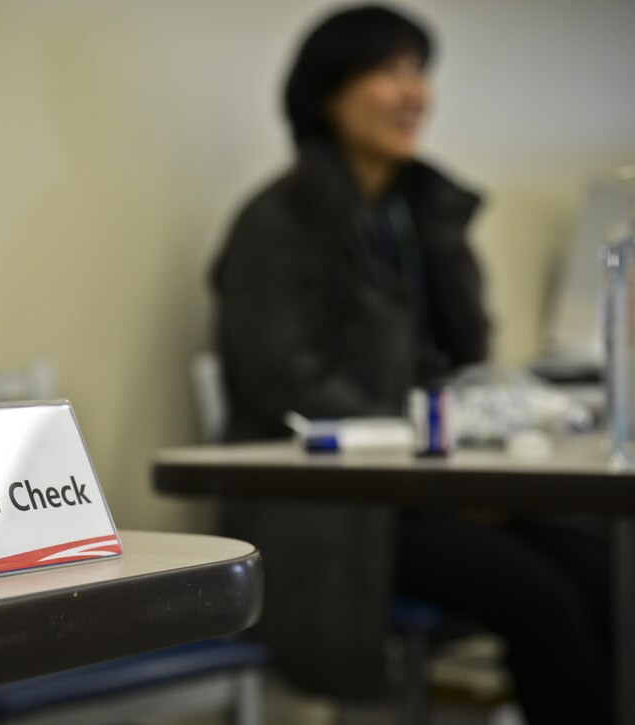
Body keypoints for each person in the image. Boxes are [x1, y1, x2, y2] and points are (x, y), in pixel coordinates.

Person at [211, 5, 612, 723]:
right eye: (387, 70)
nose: (414, 92)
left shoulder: (420, 210)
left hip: (435, 484)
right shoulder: (277, 222)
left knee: (604, 569)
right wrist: (434, 461)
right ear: (327, 91)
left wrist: (469, 449)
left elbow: (465, 358)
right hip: (345, 504)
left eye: (419, 72)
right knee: (542, 598)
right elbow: (286, 384)